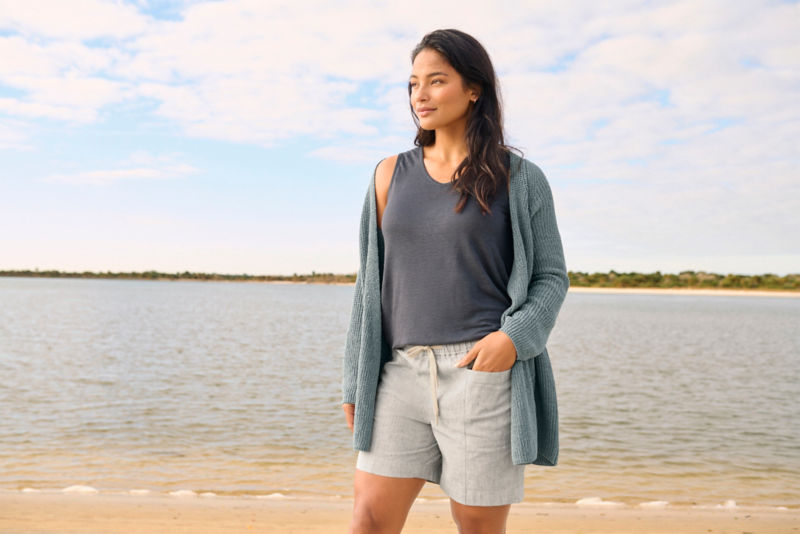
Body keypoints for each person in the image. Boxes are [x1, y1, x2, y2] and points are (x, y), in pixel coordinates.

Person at [341, 28, 569, 534]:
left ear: (473, 90)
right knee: (369, 520)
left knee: (477, 526)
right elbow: (369, 288)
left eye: (436, 80)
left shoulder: (520, 178)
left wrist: (512, 340)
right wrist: (356, 377)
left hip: (480, 373)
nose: (420, 95)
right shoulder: (387, 175)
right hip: (399, 372)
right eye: (413, 83)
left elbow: (551, 277)